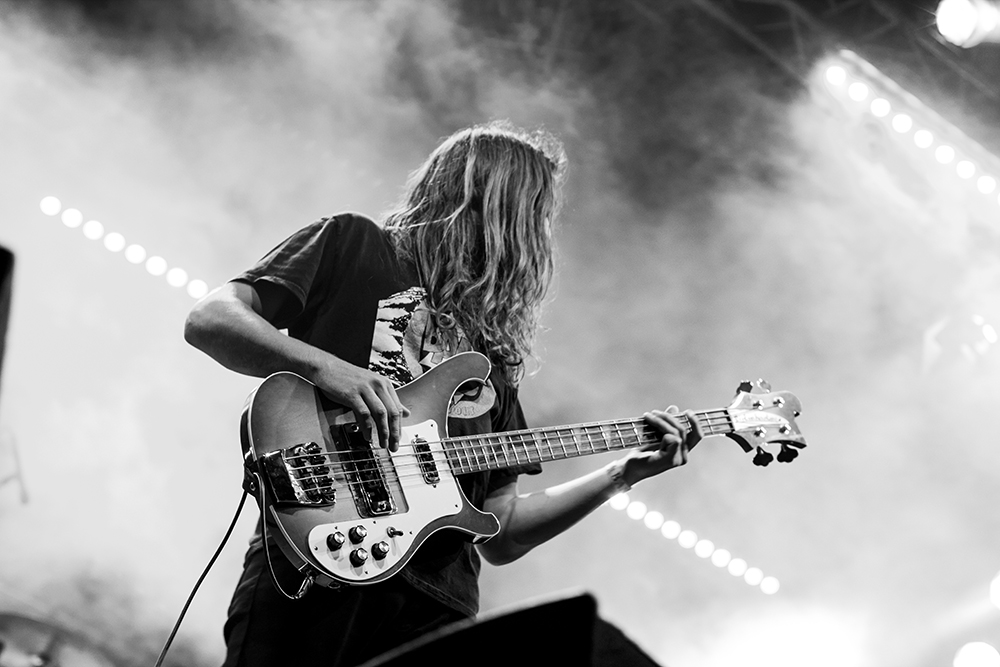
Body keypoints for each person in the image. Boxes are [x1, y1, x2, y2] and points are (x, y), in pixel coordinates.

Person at [184, 121, 702, 667]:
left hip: (437, 608)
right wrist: (327, 368)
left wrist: (623, 473)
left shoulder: (492, 357)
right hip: (320, 559)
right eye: (535, 211)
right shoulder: (354, 244)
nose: (540, 233)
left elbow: (502, 530)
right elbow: (210, 319)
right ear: (492, 202)